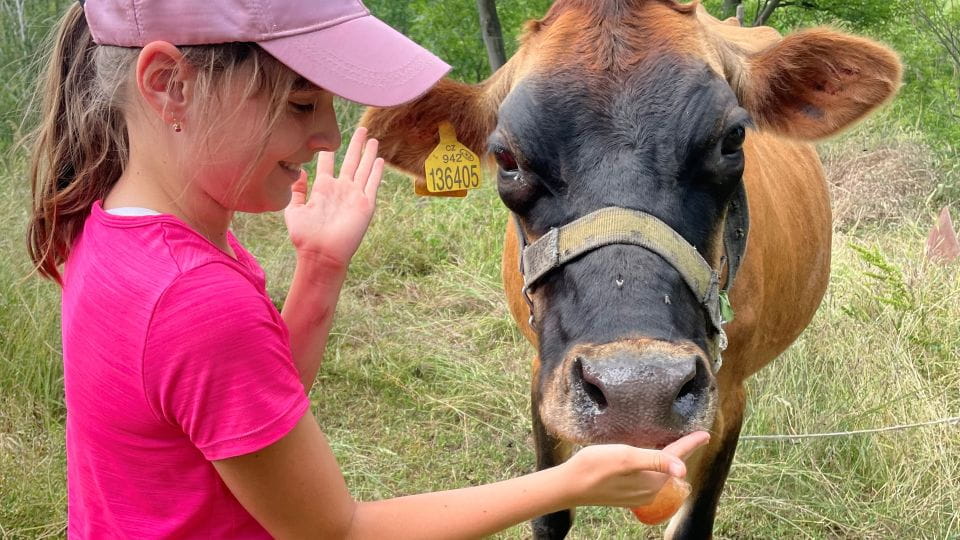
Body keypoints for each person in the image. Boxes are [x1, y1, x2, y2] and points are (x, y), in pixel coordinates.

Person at [26, 0, 711, 538]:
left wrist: (319, 270)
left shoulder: (111, 225)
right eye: (301, 103)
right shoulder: (195, 299)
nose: (328, 133)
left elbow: (240, 413)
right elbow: (335, 531)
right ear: (169, 85)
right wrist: (567, 485)